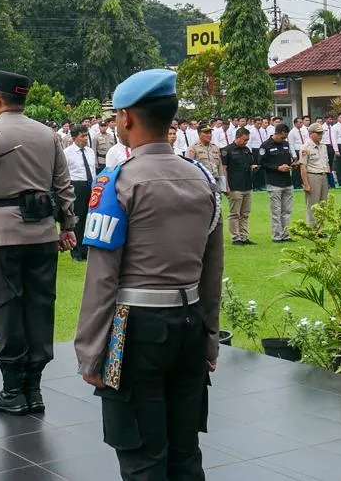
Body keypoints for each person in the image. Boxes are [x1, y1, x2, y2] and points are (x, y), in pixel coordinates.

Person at [75, 68, 224, 480]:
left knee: (142, 456)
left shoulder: (116, 183)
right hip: (190, 323)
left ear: (126, 117)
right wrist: (210, 338)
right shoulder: (203, 178)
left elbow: (102, 277)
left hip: (135, 328)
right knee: (185, 454)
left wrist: (91, 352)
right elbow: (212, 269)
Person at [0, 70, 76, 416]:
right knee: (39, 306)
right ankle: (33, 389)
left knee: (6, 307)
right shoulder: (48, 134)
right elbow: (64, 186)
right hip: (42, 234)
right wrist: (67, 225)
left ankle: (12, 390)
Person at [259, 124, 295, 243]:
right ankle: (276, 235)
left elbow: (288, 159)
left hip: (287, 181)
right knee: (276, 211)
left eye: (285, 137)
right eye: (282, 137)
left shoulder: (286, 144)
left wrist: (291, 165)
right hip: (274, 182)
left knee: (287, 211)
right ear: (277, 133)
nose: (283, 139)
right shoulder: (265, 145)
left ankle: (286, 234)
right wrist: (277, 168)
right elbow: (262, 164)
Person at [221, 128, 257, 246]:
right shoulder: (227, 150)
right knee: (234, 214)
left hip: (247, 185)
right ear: (237, 137)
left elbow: (250, 163)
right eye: (244, 139)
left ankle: (244, 236)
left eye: (248, 140)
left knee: (245, 213)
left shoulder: (247, 150)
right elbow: (224, 169)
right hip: (234, 186)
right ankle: (236, 237)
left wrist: (253, 167)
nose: (246, 142)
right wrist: (226, 186)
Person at [64, 126, 95, 262]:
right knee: (78, 218)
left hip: (91, 185)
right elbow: (64, 172)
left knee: (89, 218)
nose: (86, 139)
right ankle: (76, 251)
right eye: (82, 136)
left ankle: (86, 250)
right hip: (77, 186)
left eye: (87, 135)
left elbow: (92, 170)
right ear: (74, 138)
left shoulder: (90, 151)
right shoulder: (67, 153)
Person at [298, 123, 331, 227]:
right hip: (312, 176)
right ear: (311, 133)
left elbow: (326, 163)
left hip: (324, 175)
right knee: (313, 204)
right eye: (318, 133)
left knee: (323, 204)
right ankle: (313, 229)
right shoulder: (306, 147)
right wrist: (306, 184)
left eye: (321, 133)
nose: (320, 135)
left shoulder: (323, 146)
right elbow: (303, 167)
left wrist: (329, 179)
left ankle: (321, 228)